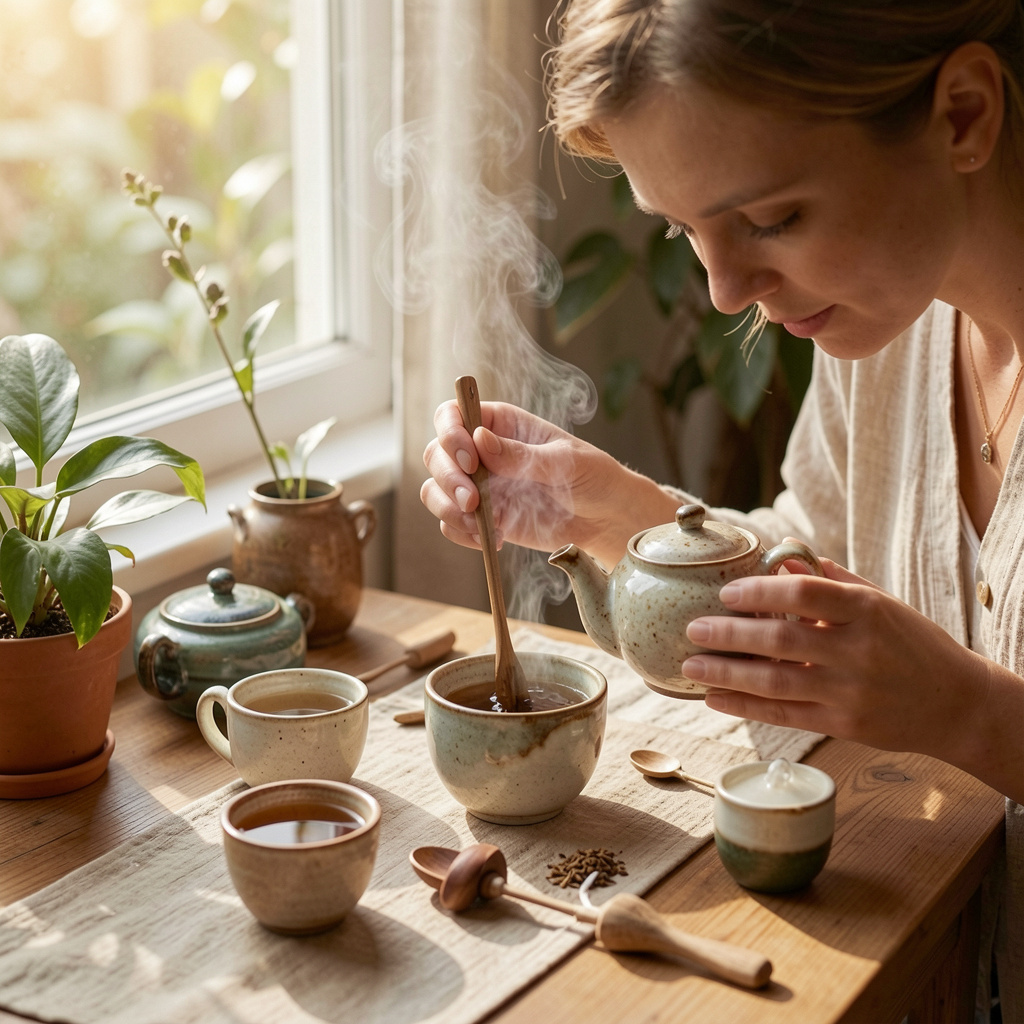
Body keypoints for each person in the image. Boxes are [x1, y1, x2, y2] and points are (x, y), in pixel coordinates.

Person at [420, 2, 1023, 1017]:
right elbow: (824, 570)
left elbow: (931, 676)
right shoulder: (896, 326)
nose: (723, 289)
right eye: (684, 231)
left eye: (772, 218)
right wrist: (618, 516)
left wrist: (969, 710)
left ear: (960, 113)